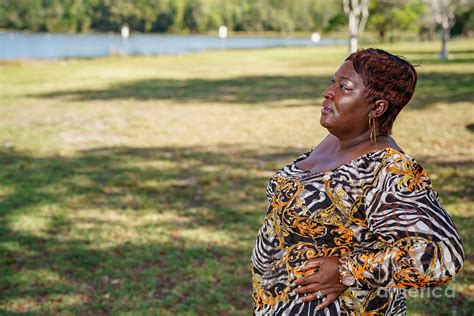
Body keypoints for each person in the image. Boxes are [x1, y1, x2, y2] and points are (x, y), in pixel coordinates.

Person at [251, 48, 464, 315]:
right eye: (333, 82)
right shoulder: (336, 141)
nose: (328, 92)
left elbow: (442, 255)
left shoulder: (387, 169)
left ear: (377, 107)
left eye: (345, 87)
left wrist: (346, 270)